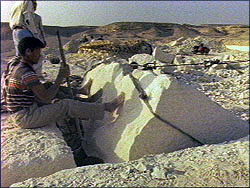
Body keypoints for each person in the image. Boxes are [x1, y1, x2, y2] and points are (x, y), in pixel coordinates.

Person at [5, 37, 125, 165]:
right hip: (26, 116)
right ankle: (107, 107)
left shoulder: (20, 67)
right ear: (28, 52)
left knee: (50, 89)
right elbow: (46, 98)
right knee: (65, 106)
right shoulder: (26, 73)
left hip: (27, 109)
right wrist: (60, 77)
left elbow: (42, 94)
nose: (40, 56)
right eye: (38, 52)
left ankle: (83, 101)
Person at [9, 0, 46, 77]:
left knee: (20, 55)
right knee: (36, 56)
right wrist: (35, 35)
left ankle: (18, 76)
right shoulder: (28, 2)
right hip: (25, 31)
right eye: (34, 3)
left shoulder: (18, 3)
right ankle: (34, 76)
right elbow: (28, 19)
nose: (35, 5)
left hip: (16, 31)